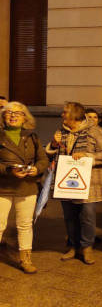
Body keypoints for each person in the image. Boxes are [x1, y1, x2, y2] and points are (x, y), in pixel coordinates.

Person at [46, 102, 102, 265]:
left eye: (65, 112)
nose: (62, 115)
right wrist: (53, 145)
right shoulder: (61, 131)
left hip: (88, 183)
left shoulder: (95, 131)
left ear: (74, 115)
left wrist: (87, 156)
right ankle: (73, 246)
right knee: (69, 216)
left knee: (87, 216)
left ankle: (87, 247)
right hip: (67, 180)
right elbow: (53, 154)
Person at [0, 102, 48, 273]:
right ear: (3, 117)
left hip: (26, 186)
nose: (13, 116)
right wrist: (8, 170)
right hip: (3, 186)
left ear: (24, 117)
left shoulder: (32, 136)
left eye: (18, 113)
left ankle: (25, 259)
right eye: (9, 113)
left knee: (25, 224)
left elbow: (43, 159)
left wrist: (37, 169)